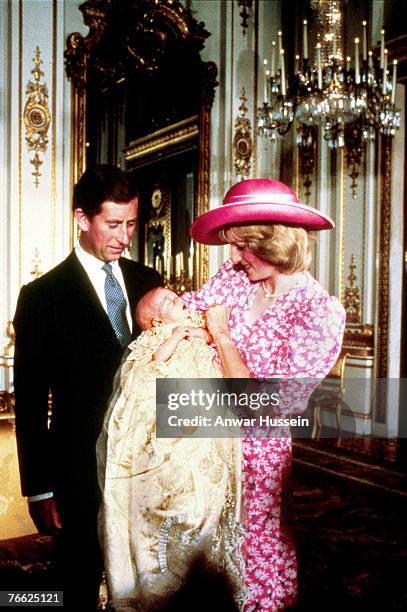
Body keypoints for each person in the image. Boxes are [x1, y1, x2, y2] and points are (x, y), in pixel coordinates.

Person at [182, 178, 346, 610]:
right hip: (206, 448)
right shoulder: (236, 279)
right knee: (203, 571)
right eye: (232, 246)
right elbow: (181, 312)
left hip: (257, 464)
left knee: (253, 572)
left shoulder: (317, 311)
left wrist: (220, 335)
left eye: (243, 246)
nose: (233, 256)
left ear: (275, 242)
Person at [13, 165, 162, 610]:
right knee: (76, 584)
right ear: (82, 219)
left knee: (146, 580)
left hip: (147, 467)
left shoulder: (148, 282)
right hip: (77, 472)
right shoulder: (42, 296)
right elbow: (31, 403)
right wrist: (38, 489)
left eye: (132, 224)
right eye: (113, 224)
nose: (124, 236)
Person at [96, 287, 243, 611]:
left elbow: (209, 337)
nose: (175, 298)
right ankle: (165, 584)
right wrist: (175, 337)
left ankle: (201, 573)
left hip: (205, 409)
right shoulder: (157, 337)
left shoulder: (195, 321)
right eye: (165, 301)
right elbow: (154, 363)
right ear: (156, 321)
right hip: (173, 414)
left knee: (208, 492)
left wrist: (201, 333)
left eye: (173, 294)